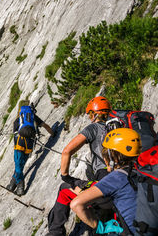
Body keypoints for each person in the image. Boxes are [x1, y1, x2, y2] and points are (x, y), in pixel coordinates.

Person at [47, 96, 112, 236]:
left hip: (105, 188)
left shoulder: (94, 128)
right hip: (126, 182)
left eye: (90, 114)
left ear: (95, 114)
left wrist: (65, 175)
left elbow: (67, 151)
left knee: (64, 189)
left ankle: (55, 232)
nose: (89, 117)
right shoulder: (120, 127)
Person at [70, 128, 141, 235]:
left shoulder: (116, 177)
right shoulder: (145, 169)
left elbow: (76, 204)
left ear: (113, 156)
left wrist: (101, 227)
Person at [6, 101, 55, 195]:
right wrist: (53, 134)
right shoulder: (33, 118)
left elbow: (15, 131)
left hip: (19, 142)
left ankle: (20, 185)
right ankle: (12, 184)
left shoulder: (19, 119)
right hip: (30, 143)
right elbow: (46, 126)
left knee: (18, 163)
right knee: (21, 163)